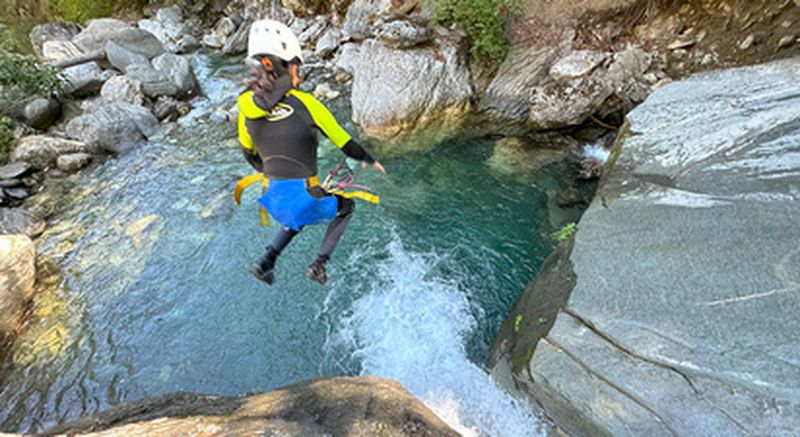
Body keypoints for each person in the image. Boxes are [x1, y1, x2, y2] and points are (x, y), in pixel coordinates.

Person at [238, 19, 385, 286]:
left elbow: (248, 153)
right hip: (303, 194)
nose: (298, 74)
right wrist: (370, 159)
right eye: (295, 66)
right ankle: (319, 265)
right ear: (279, 67)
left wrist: (271, 172)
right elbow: (345, 143)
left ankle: (266, 261)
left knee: (299, 211)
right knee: (345, 207)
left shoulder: (245, 110)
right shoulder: (307, 103)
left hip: (273, 198)